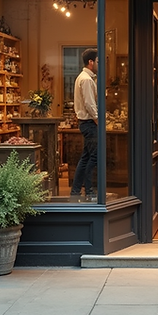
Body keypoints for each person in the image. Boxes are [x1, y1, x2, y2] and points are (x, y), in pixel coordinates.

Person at [71, 48, 98, 202]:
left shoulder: (82, 77)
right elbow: (89, 104)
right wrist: (97, 120)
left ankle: (75, 191)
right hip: (89, 123)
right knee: (94, 158)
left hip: (85, 122)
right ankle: (89, 192)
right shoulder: (87, 79)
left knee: (86, 157)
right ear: (91, 62)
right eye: (98, 61)